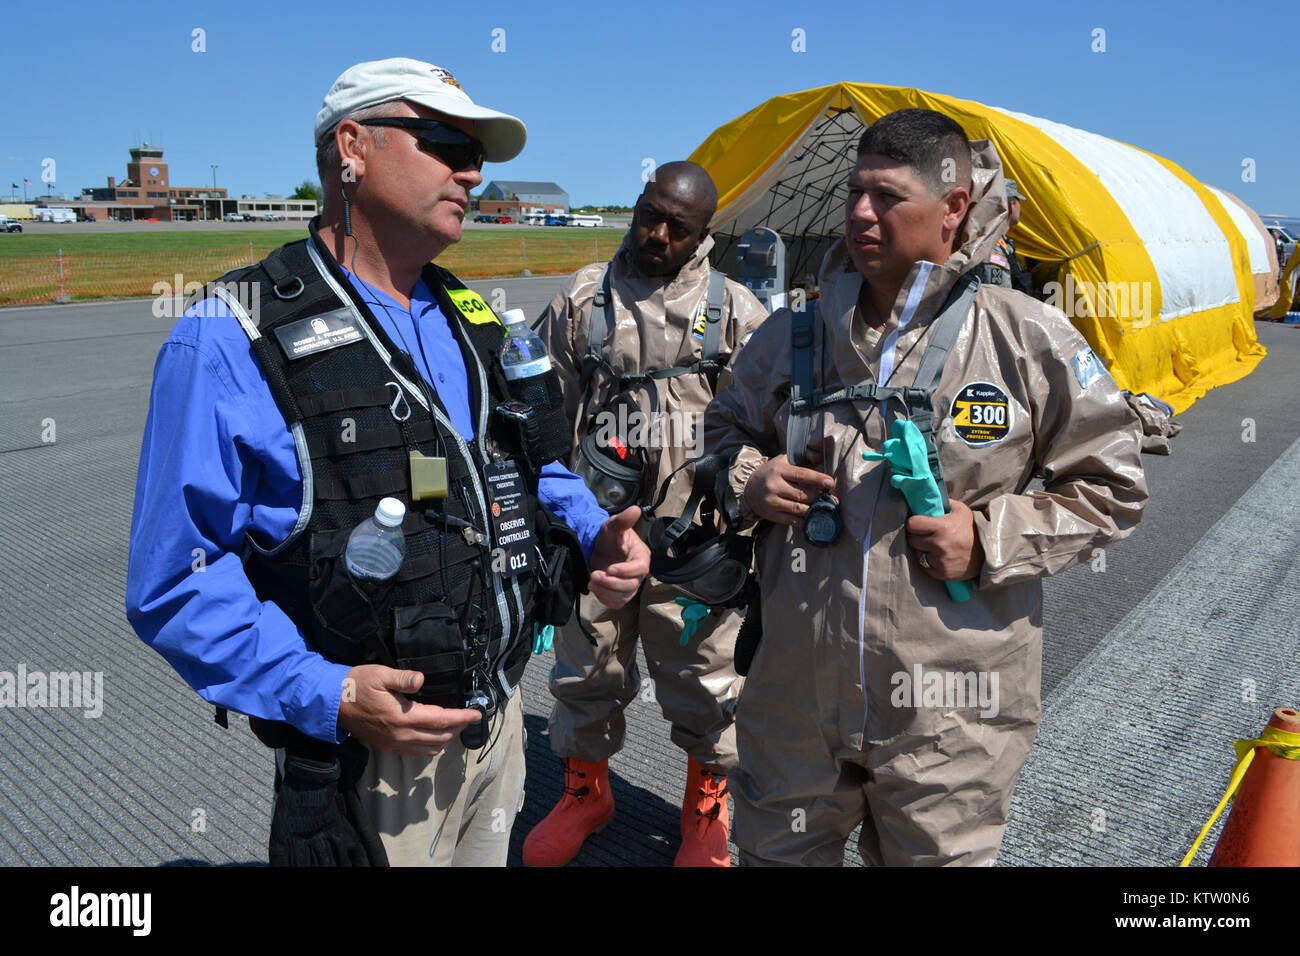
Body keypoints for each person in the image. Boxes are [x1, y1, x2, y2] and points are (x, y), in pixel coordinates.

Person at [125, 57, 650, 867]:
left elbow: (534, 463)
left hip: (499, 722)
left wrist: (593, 533)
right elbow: (175, 579)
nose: (472, 172)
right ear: (352, 147)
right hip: (369, 761)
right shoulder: (230, 335)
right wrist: (325, 693)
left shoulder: (476, 319)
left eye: (477, 153)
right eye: (445, 142)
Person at [703, 109, 1148, 866]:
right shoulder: (791, 336)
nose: (859, 214)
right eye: (853, 193)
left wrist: (989, 537)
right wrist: (753, 479)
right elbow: (719, 432)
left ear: (953, 209)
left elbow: (1112, 485)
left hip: (949, 713)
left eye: (886, 197)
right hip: (796, 699)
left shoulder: (1026, 337)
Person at [524, 162, 769, 867]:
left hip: (698, 544)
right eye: (647, 214)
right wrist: (554, 517)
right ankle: (584, 792)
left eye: (677, 226)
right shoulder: (580, 299)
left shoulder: (738, 315)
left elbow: (761, 433)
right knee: (584, 672)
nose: (656, 234)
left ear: (704, 235)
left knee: (708, 686)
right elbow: (545, 421)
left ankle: (706, 809)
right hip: (596, 536)